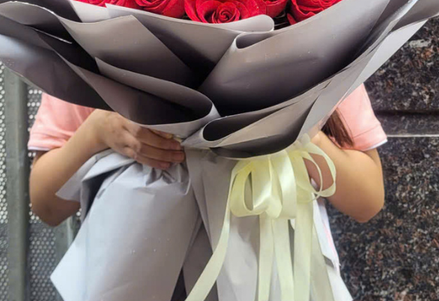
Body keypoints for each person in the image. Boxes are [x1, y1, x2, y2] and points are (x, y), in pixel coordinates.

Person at [29, 85, 386, 229]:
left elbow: (367, 199)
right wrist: (97, 131)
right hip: (134, 272)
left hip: (273, 277)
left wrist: (296, 127)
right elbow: (47, 205)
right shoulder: (93, 43)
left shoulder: (317, 41)